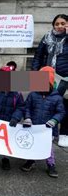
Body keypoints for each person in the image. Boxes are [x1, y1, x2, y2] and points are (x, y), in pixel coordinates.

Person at [11, 66, 65, 178]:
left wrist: (54, 120)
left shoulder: (57, 98)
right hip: (33, 126)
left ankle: (51, 164)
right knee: (32, 145)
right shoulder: (33, 95)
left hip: (48, 129)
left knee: (47, 147)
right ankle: (31, 161)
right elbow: (27, 108)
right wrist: (27, 118)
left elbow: (60, 112)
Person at [31, 14, 68, 147]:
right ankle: (49, 131)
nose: (59, 26)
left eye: (63, 23)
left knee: (64, 106)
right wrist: (35, 73)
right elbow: (38, 56)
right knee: (47, 104)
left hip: (65, 78)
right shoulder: (47, 38)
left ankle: (64, 134)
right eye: (57, 24)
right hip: (48, 77)